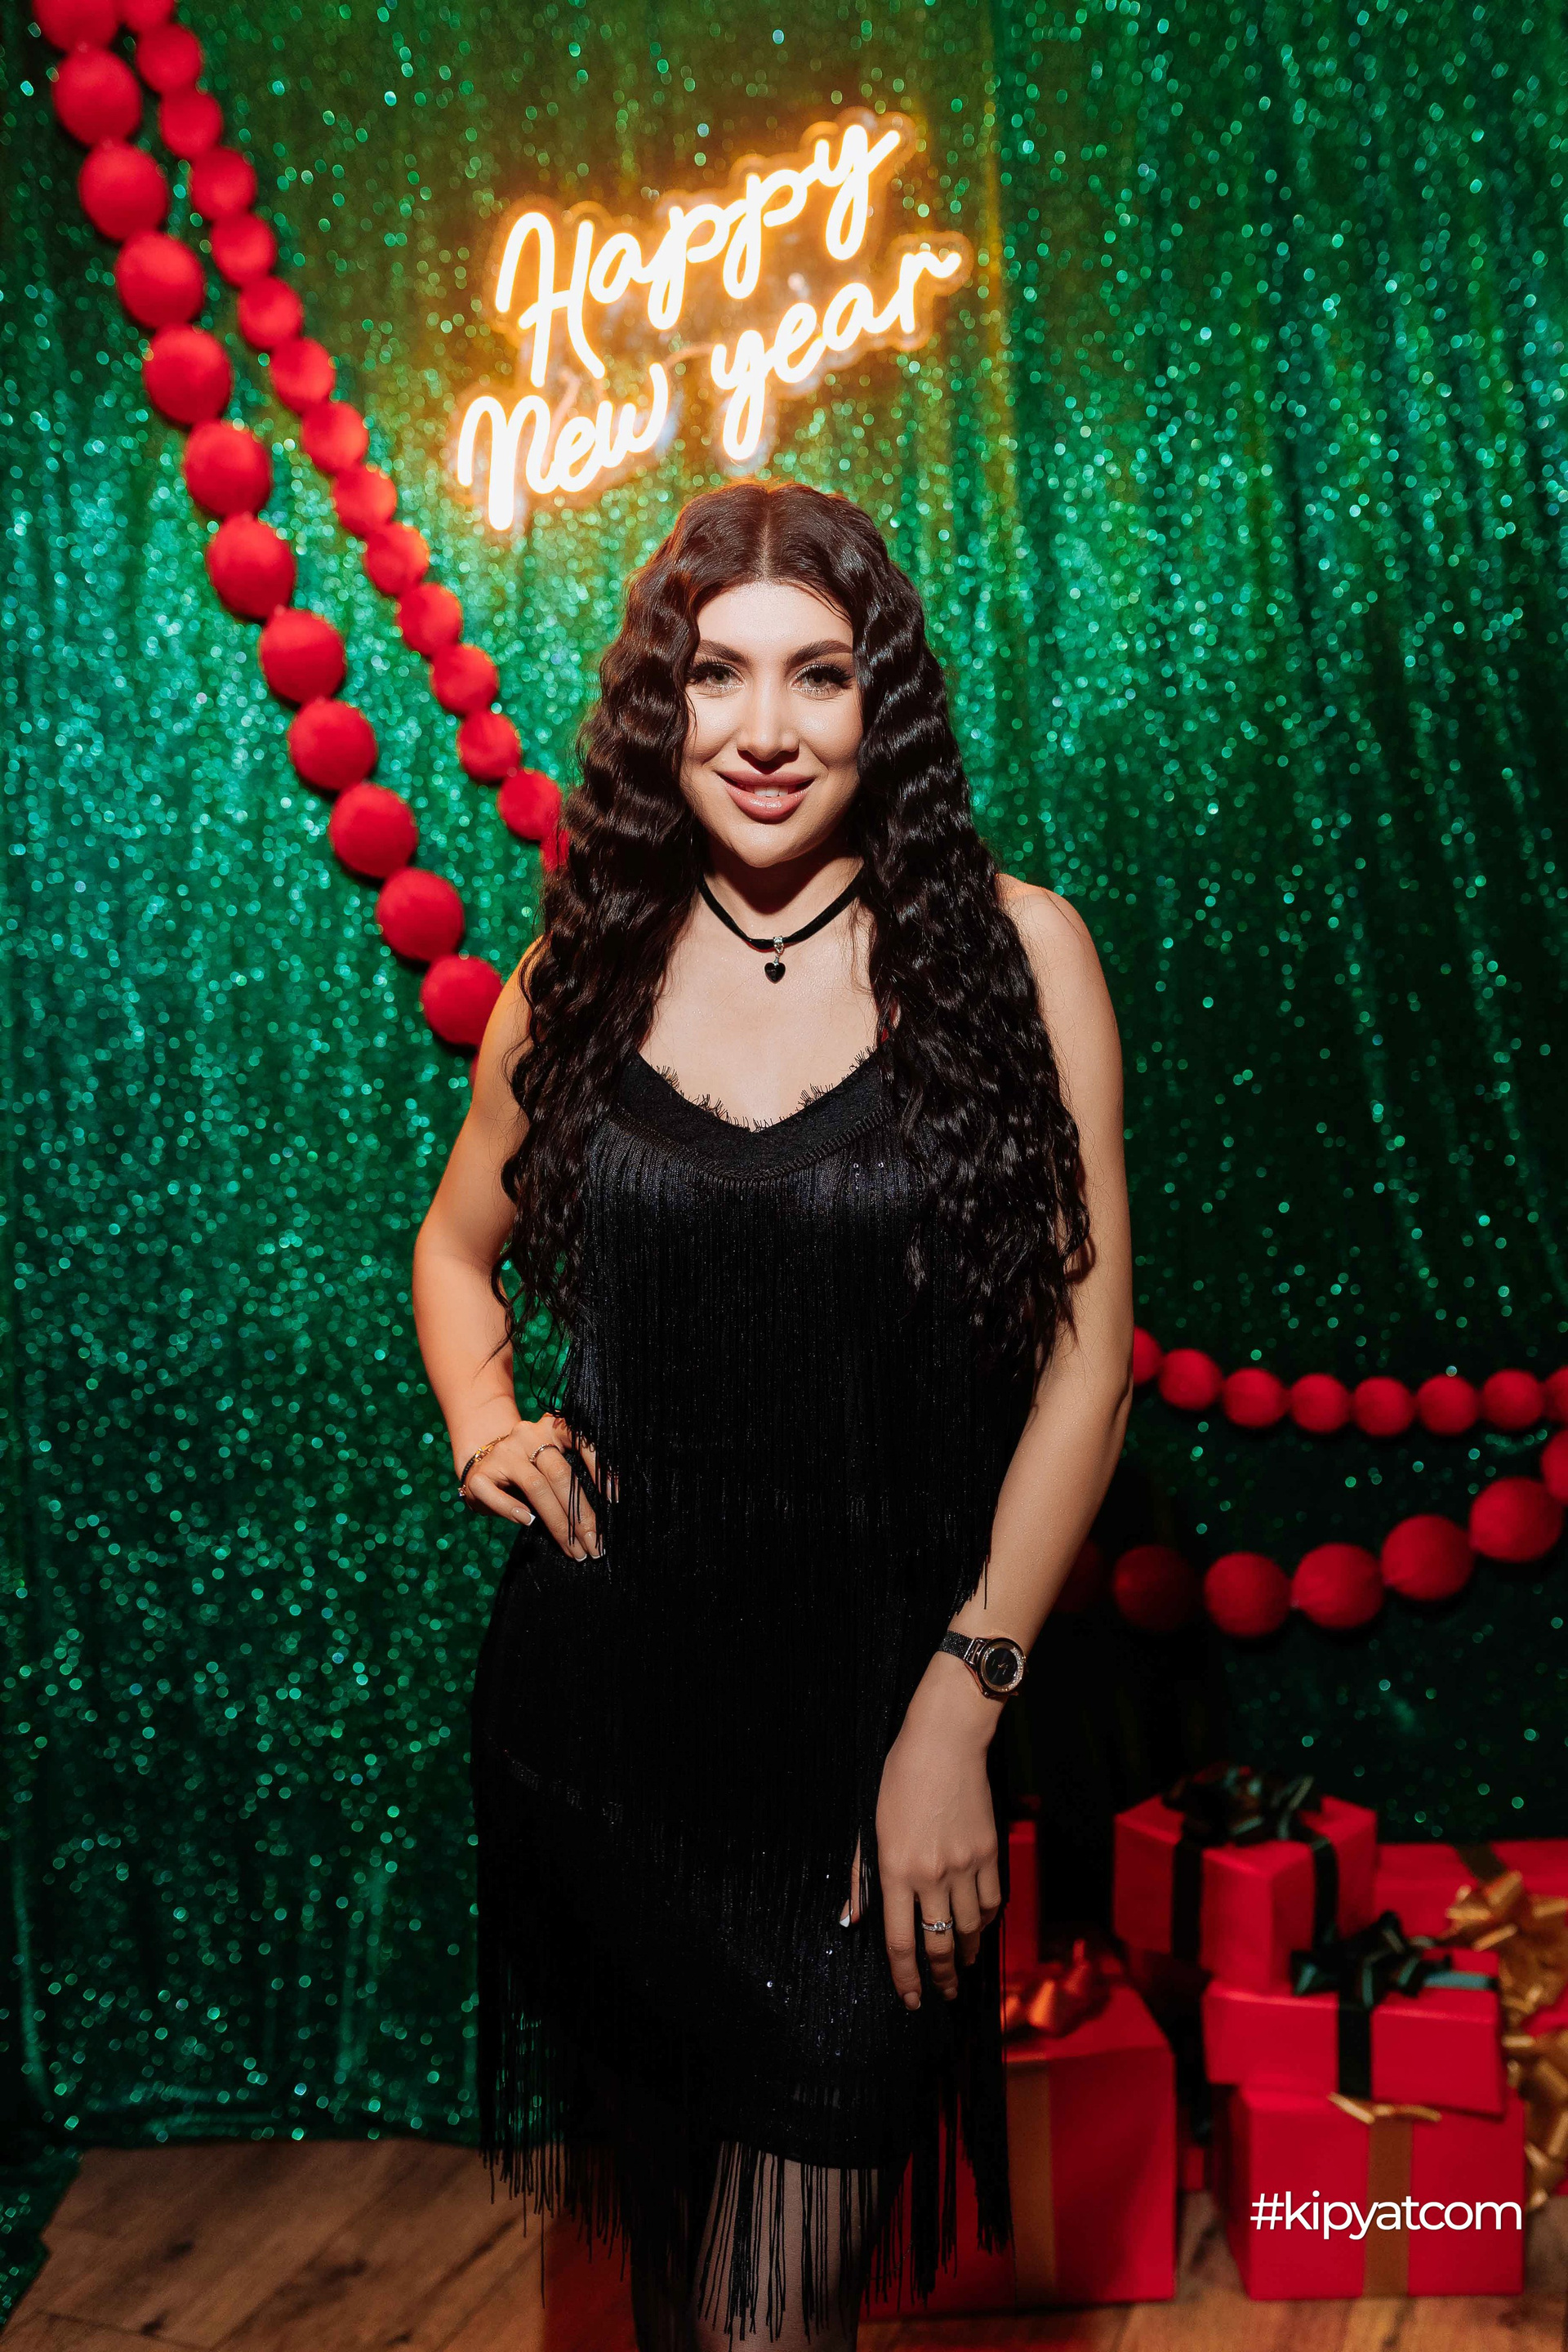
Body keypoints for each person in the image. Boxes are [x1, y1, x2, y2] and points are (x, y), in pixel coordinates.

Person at [411, 480, 1133, 2350]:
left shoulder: (1018, 954)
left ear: (883, 704)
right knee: (676, 2307)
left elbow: (1088, 1365)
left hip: (885, 1736)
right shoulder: (577, 970)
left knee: (767, 2324)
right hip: (605, 1735)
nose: (765, 729)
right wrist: (486, 1416)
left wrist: (958, 1713)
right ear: (660, 710)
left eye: (819, 675)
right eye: (716, 675)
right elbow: (455, 1247)